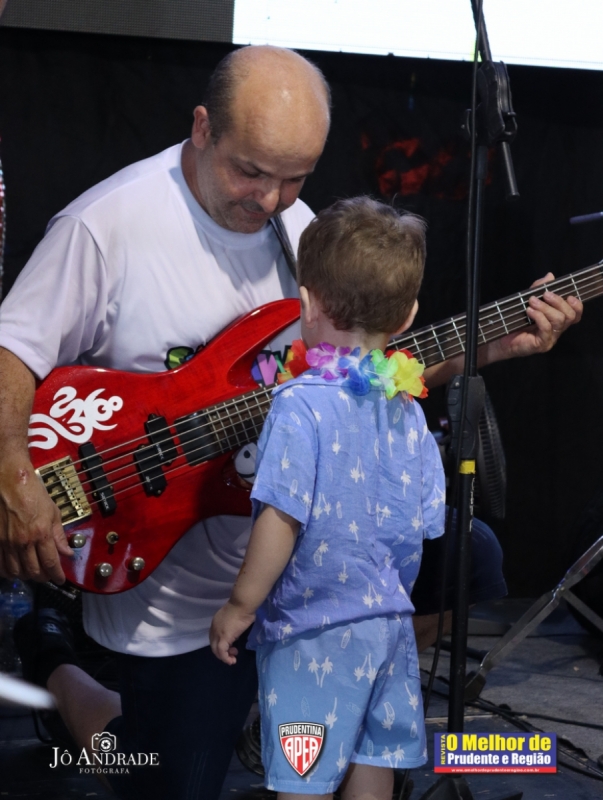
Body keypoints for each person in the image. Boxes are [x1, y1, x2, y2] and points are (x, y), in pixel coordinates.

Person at [0, 44, 582, 799]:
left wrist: (492, 347)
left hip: (301, 577)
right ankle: (54, 664)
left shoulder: (297, 226)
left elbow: (355, 373)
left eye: (295, 177)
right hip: (174, 584)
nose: (272, 198)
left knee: (474, 558)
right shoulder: (105, 225)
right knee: (152, 775)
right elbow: (10, 351)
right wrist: (15, 478)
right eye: (251, 171)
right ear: (202, 128)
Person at [210, 196, 445, 799]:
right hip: (389, 628)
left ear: (307, 303)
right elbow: (427, 521)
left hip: (312, 633)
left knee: (303, 779)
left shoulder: (298, 405)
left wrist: (240, 605)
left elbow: (281, 517)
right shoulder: (407, 408)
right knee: (372, 759)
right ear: (408, 315)